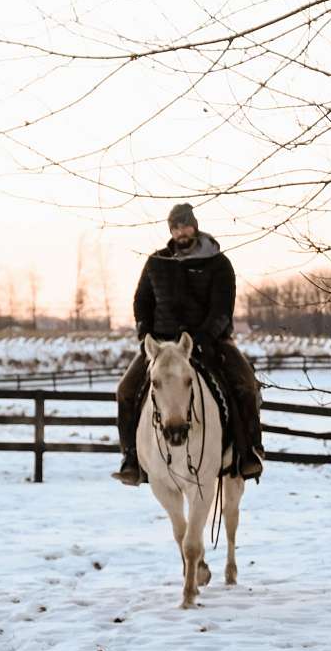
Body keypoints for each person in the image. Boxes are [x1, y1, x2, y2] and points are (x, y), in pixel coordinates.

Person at [112, 202, 263, 486]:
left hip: (210, 342)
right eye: (175, 227)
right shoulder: (157, 262)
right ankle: (131, 458)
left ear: (195, 225)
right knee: (125, 391)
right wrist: (145, 333)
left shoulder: (218, 263)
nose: (181, 231)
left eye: (185, 225)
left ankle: (248, 452)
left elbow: (222, 308)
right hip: (161, 346)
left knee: (245, 384)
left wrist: (202, 339)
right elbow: (141, 301)